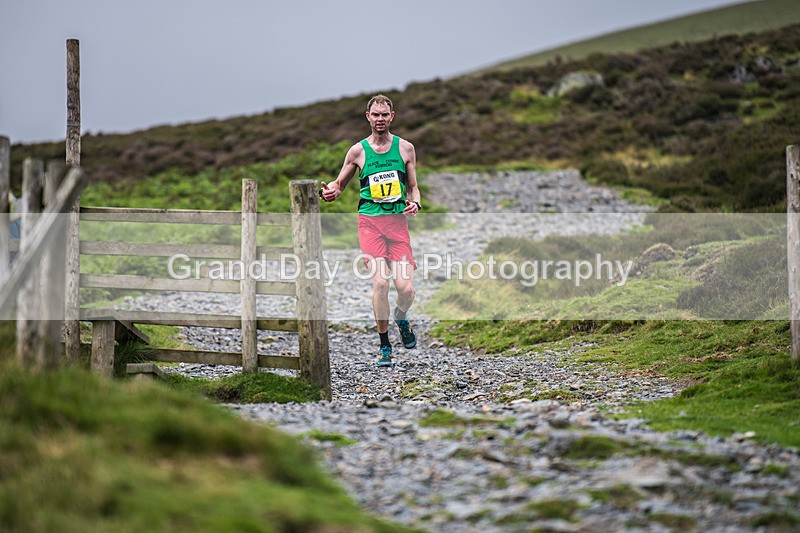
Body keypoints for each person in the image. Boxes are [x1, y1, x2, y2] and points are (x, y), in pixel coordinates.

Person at [320, 94, 421, 367]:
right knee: (380, 283)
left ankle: (401, 317)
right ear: (368, 117)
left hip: (397, 224)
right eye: (375, 114)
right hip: (369, 223)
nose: (380, 119)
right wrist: (331, 190)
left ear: (392, 116)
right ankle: (385, 345)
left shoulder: (405, 149)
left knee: (406, 289)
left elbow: (413, 188)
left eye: (384, 114)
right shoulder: (358, 151)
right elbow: (339, 183)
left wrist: (416, 203)